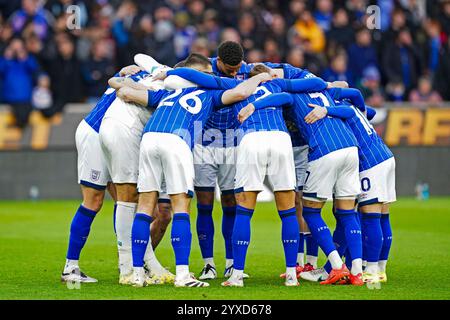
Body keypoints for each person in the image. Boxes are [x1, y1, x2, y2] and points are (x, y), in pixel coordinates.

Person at [119, 54, 272, 287]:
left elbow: (126, 93)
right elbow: (241, 92)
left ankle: (137, 274)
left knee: (145, 206)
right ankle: (182, 276)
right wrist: (260, 77)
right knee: (181, 207)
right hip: (177, 140)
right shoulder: (211, 93)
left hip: (149, 138)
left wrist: (126, 79)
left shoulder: (169, 92)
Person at [239, 78, 363, 286]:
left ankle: (336, 266)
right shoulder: (326, 95)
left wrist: (253, 105)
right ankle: (357, 272)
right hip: (351, 149)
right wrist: (328, 107)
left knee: (310, 212)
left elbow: (281, 96)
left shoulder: (294, 96)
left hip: (325, 150)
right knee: (347, 212)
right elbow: (352, 108)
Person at [300, 88, 395, 284]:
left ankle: (368, 270)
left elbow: (350, 110)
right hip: (384, 155)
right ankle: (376, 268)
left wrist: (328, 108)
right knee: (378, 215)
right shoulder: (351, 106)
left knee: (367, 217)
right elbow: (370, 111)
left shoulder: (338, 109)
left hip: (369, 162)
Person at [98, 62, 174, 285]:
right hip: (124, 131)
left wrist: (125, 77)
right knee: (128, 200)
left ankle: (146, 264)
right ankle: (127, 269)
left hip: (113, 128)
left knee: (136, 201)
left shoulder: (147, 79)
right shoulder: (169, 90)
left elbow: (119, 82)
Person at [0, 37, 37, 128]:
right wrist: (7, 58)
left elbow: (34, 68)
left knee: (24, 117)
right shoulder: (6, 60)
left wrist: (24, 58)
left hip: (25, 97)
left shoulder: (27, 59)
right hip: (9, 97)